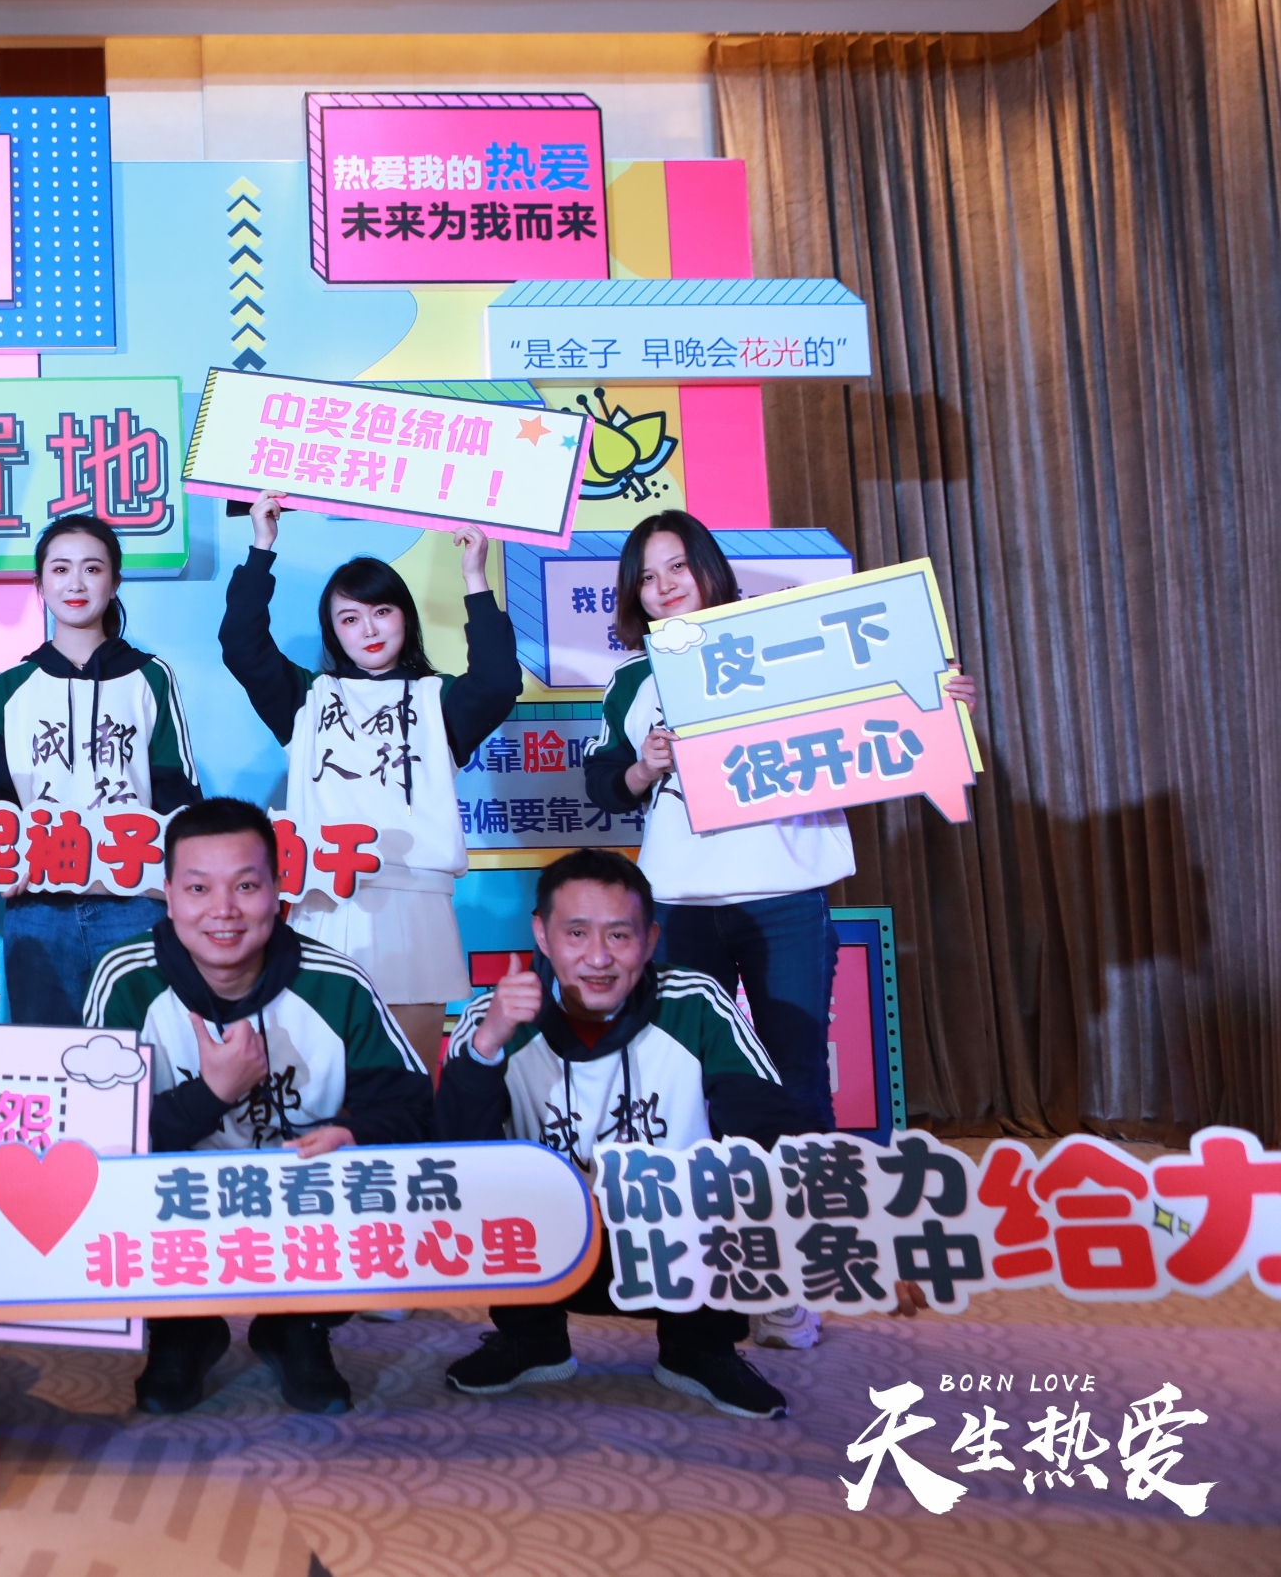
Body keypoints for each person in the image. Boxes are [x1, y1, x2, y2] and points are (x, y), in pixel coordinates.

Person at [584, 511, 975, 1348]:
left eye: (677, 566)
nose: (664, 586)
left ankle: (792, 1276)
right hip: (681, 904)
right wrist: (643, 765)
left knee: (795, 1081)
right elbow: (603, 784)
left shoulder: (790, 644)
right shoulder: (632, 681)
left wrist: (937, 706)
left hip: (788, 896)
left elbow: (882, 713)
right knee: (689, 1089)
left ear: (709, 568)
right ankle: (706, 1267)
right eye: (647, 576)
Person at [81, 798, 437, 1416]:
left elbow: (410, 1107)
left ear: (278, 893)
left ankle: (299, 1326)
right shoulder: (125, 979)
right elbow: (93, 1137)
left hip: (301, 1202)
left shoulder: (337, 983)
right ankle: (182, 1328)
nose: (223, 910)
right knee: (104, 1182)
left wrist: (353, 1135)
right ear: (169, 897)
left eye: (246, 886)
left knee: (380, 1170)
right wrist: (211, 1094)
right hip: (177, 1205)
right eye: (199, 888)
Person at [436, 848, 810, 1419]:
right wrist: (487, 1046)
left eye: (619, 935)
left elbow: (766, 1119)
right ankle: (530, 1339)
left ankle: (699, 1349)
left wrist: (845, 1214)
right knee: (489, 1186)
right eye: (576, 933)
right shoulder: (495, 1017)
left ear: (651, 939)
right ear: (541, 935)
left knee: (742, 1175)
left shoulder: (695, 1003)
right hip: (552, 1237)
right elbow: (454, 1153)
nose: (598, 957)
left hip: (676, 1237)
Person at [220, 490, 522, 1058]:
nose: (369, 628)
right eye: (350, 618)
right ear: (334, 632)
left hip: (416, 904)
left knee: (408, 1077)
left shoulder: (439, 700)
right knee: (319, 1073)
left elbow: (501, 681)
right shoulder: (305, 697)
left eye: (382, 611)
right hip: (323, 901)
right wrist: (262, 547)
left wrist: (474, 577)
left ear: (405, 616)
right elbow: (241, 645)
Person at [0, 514, 200, 1026]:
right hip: (39, 908)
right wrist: (3, 861)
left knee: (146, 1055)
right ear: (40, 585)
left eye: (92, 568)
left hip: (135, 902)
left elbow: (177, 791)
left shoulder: (151, 676)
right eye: (60, 569)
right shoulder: (11, 687)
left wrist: (174, 884)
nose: (75, 584)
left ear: (114, 581)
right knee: (44, 1057)